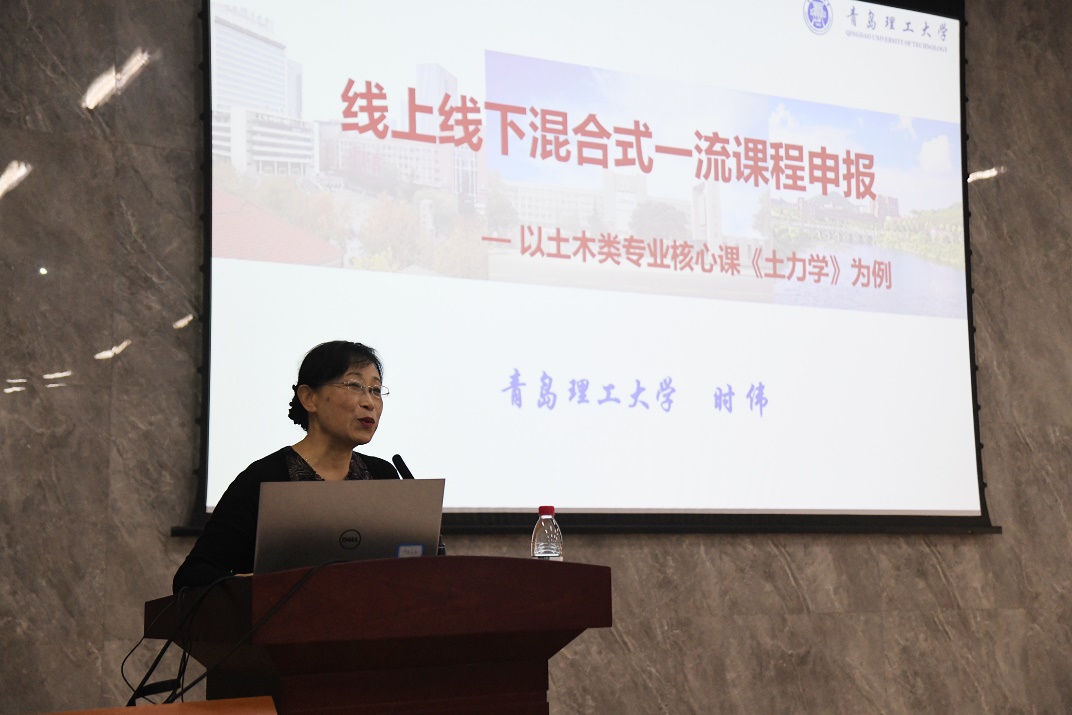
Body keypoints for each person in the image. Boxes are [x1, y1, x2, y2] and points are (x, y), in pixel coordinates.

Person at [172, 340, 401, 593]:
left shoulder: (383, 476)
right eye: (355, 385)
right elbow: (192, 576)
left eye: (376, 390)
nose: (369, 402)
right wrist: (253, 586)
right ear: (309, 398)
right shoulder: (263, 480)